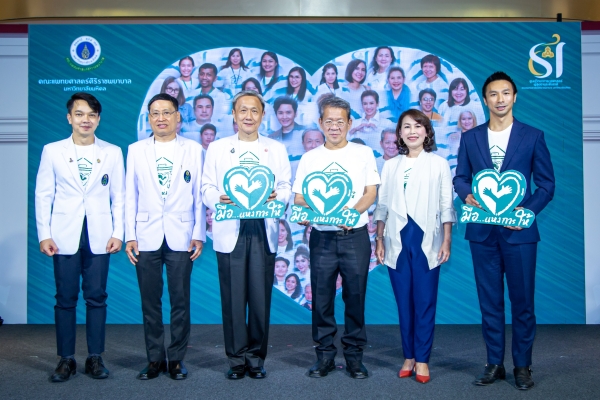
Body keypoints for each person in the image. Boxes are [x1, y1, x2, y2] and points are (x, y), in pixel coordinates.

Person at [453, 72, 555, 390]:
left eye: (506, 93)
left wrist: (527, 212)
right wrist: (465, 193)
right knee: (490, 302)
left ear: (514, 97)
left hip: (519, 233)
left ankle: (522, 366)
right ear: (485, 100)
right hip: (482, 233)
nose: (500, 99)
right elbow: (460, 177)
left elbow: (546, 185)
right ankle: (494, 363)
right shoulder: (470, 138)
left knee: (522, 303)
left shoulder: (532, 136)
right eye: (494, 94)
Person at [201, 90, 292, 380]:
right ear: (234, 114)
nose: (248, 116)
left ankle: (256, 358)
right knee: (233, 298)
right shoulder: (218, 148)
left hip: (263, 228)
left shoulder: (276, 148)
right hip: (231, 227)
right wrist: (218, 197)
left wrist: (279, 195)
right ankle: (236, 359)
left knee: (260, 297)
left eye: (254, 110)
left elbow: (286, 185)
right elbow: (206, 187)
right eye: (243, 110)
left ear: (263, 115)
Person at [35, 92, 125, 382]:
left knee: (97, 297)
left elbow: (119, 197)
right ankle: (66, 359)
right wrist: (44, 234)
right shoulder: (52, 151)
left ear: (98, 119)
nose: (85, 120)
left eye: (91, 115)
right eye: (79, 114)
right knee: (65, 297)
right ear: (69, 118)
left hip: (100, 235)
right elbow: (43, 194)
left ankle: (95, 357)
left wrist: (118, 233)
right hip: (63, 235)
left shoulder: (112, 152)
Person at [293, 96, 380, 379]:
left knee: (355, 297)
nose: (334, 126)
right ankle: (325, 356)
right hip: (322, 238)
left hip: (354, 236)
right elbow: (299, 198)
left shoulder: (363, 153)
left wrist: (350, 214)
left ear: (350, 123)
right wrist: (305, 213)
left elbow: (370, 192)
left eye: (339, 121)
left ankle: (354, 357)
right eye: (328, 121)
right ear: (320, 123)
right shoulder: (309, 158)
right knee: (321, 299)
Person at [125, 93, 205, 381]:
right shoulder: (136, 150)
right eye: (155, 113)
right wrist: (130, 235)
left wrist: (198, 233)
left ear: (177, 116)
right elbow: (130, 195)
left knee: (180, 300)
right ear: (149, 118)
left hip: (182, 235)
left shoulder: (194, 149)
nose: (161, 118)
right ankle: (154, 359)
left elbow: (198, 196)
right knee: (150, 301)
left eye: (167, 112)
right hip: (145, 235)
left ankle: (177, 360)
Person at [374, 109, 455, 384]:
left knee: (425, 301)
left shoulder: (439, 164)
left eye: (418, 126)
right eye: (406, 127)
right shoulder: (390, 165)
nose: (412, 131)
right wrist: (379, 239)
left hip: (427, 240)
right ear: (399, 133)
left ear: (427, 131)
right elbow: (383, 205)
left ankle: (422, 359)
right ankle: (408, 356)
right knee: (404, 302)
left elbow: (446, 204)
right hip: (397, 240)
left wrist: (446, 239)